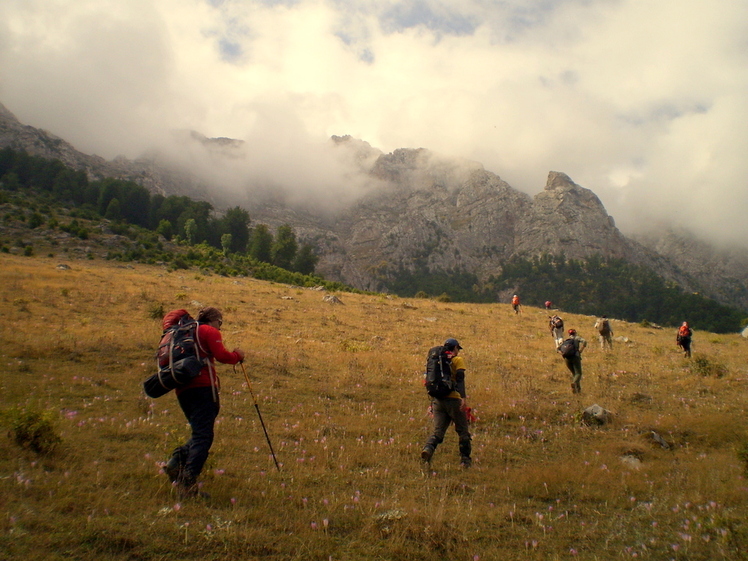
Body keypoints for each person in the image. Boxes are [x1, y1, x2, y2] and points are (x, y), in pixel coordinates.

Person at [164, 307, 245, 498]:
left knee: (199, 433)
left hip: (182, 390)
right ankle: (187, 484)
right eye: (220, 322)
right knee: (203, 437)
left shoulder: (187, 333)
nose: (220, 326)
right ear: (214, 319)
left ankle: (176, 463)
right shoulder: (208, 331)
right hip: (203, 388)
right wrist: (238, 356)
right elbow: (222, 356)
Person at [421, 338, 472, 468]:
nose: (458, 352)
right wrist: (463, 398)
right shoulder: (457, 360)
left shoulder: (437, 360)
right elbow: (460, 379)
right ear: (454, 348)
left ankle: (428, 449)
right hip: (453, 400)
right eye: (458, 349)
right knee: (463, 431)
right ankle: (465, 460)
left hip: (438, 400)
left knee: (438, 431)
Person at [559, 328, 587, 394]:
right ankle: (575, 384)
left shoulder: (566, 341)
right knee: (578, 373)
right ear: (575, 333)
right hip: (575, 357)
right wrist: (581, 350)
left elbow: (558, 349)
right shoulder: (577, 338)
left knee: (574, 374)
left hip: (567, 359)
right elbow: (584, 341)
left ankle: (577, 391)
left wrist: (563, 354)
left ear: (569, 334)